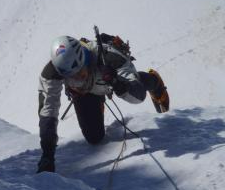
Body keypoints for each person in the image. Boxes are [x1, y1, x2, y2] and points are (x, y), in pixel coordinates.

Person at [37, 33, 169, 173]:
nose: (77, 79)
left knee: (137, 83)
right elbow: (48, 112)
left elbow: (138, 96)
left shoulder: (110, 58)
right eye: (71, 77)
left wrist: (117, 83)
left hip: (111, 79)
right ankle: (97, 101)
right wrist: (47, 155)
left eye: (80, 73)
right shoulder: (52, 73)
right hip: (85, 93)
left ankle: (154, 81)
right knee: (94, 138)